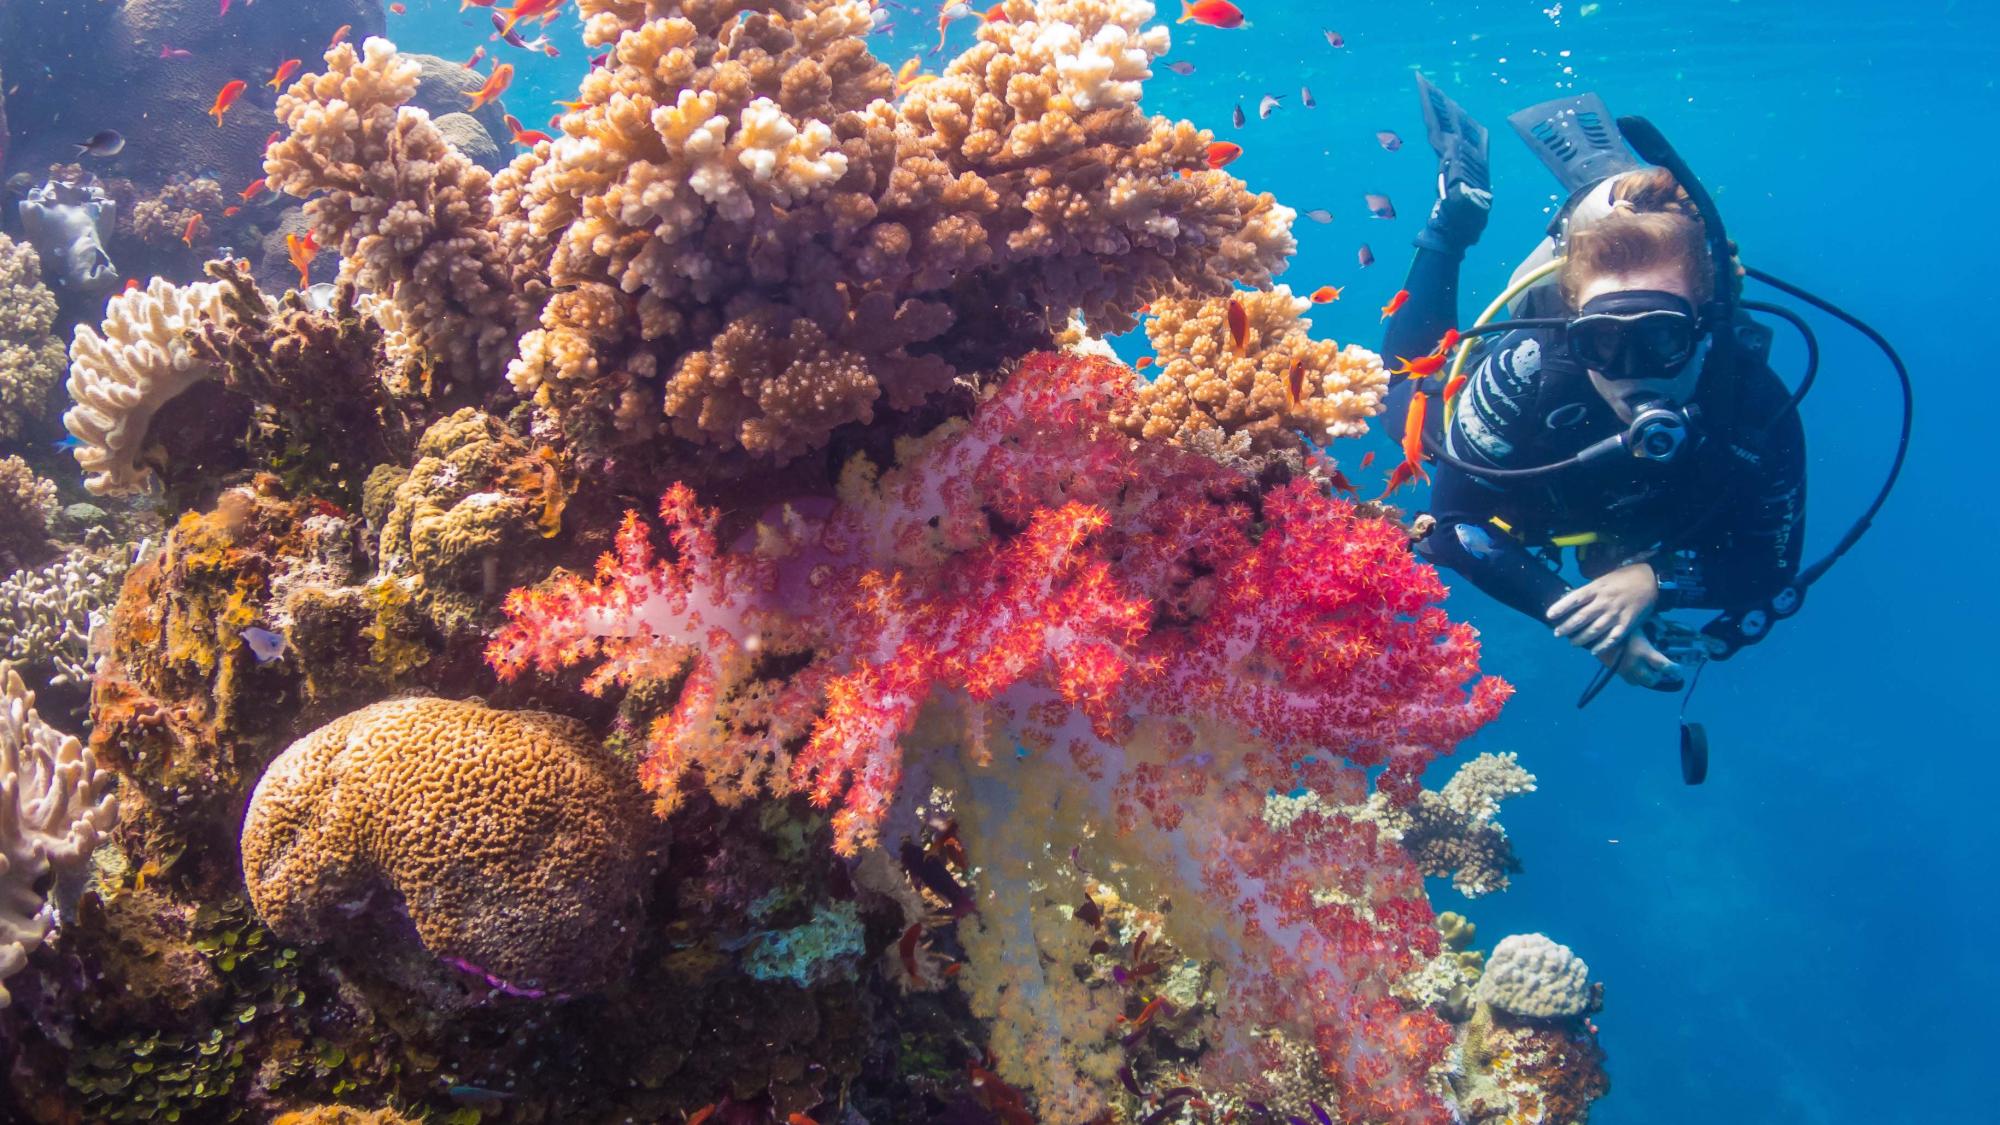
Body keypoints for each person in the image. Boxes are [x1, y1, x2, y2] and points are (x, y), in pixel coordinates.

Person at [1382, 81, 1806, 692]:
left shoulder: (1752, 403)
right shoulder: (1532, 364)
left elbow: (1771, 567)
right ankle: (1458, 216)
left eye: (1661, 340)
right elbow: (1452, 526)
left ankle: (1610, 203)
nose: (1631, 371)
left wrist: (1655, 579)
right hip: (1549, 474)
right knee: (1404, 391)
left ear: (1705, 328)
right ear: (1569, 330)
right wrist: (1590, 624)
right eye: (1601, 342)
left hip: (1614, 518)